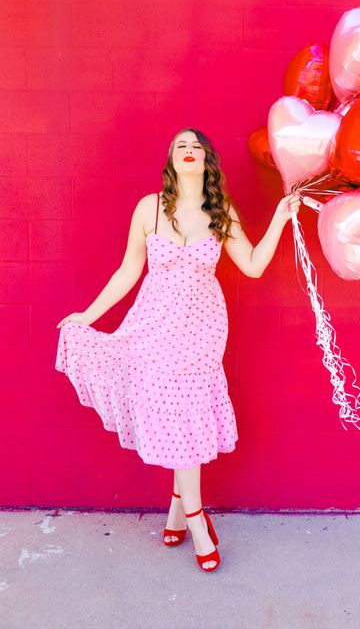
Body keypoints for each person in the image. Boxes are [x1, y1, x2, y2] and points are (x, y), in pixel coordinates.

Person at [55, 127, 302, 572]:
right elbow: (129, 270)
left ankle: (184, 514)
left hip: (202, 333)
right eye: (180, 146)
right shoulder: (149, 209)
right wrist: (87, 316)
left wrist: (281, 218)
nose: (188, 151)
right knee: (174, 419)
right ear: (171, 159)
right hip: (152, 329)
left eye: (196, 147)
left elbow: (253, 265)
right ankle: (193, 518)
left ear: (207, 159)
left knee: (186, 417)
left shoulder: (221, 209)